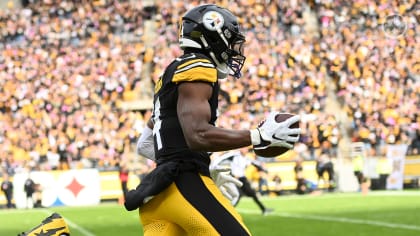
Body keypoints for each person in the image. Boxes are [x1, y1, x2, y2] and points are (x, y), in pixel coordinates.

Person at [124, 4, 301, 235]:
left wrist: (204, 164)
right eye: (230, 41)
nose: (234, 49)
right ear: (212, 35)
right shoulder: (199, 66)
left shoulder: (170, 73)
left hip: (158, 196)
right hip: (183, 187)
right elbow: (197, 134)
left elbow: (145, 145)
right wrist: (257, 136)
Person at [230, 148, 274, 215]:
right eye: (244, 149)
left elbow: (255, 164)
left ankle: (264, 209)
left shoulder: (246, 158)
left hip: (242, 179)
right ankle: (229, 210)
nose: (246, 150)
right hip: (236, 179)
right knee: (238, 195)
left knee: (249, 194)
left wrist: (265, 170)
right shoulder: (235, 156)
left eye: (246, 149)